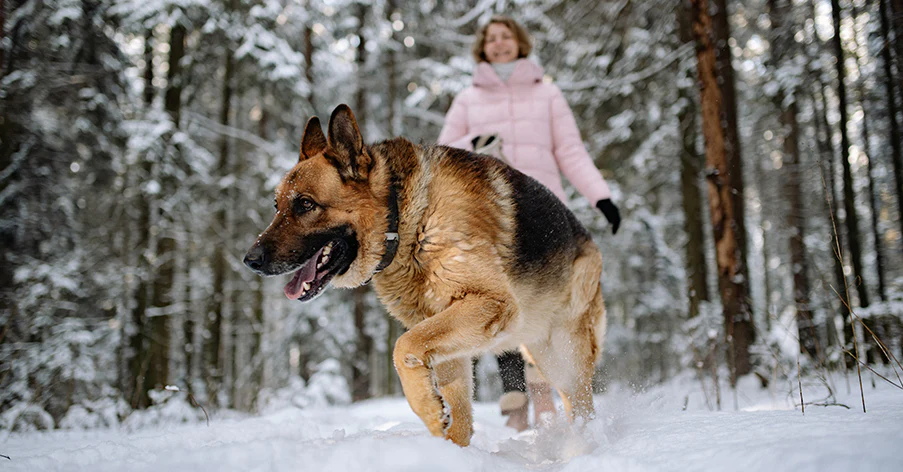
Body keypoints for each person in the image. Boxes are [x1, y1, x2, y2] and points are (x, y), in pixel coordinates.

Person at [437, 15, 621, 431]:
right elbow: (445, 153)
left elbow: (570, 150)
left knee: (545, 301)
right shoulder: (468, 98)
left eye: (506, 37)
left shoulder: (548, 95)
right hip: (491, 213)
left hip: (542, 211)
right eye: (491, 39)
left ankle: (546, 396)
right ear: (482, 48)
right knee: (500, 294)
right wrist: (476, 146)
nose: (499, 44)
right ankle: (514, 398)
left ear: (520, 44)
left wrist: (601, 196)